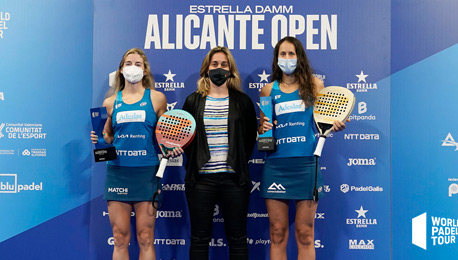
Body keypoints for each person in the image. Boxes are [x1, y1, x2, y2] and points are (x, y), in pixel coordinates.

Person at [258, 37, 347, 260]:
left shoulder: (315, 86)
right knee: (277, 233)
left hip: (307, 165)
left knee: (305, 233)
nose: (287, 58)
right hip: (276, 166)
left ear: (299, 57)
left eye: (291, 53)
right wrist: (263, 128)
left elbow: (324, 120)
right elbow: (263, 132)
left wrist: (335, 125)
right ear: (276, 59)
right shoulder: (268, 90)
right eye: (282, 54)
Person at [91, 48, 180, 260]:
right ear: (121, 70)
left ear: (145, 69)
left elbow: (165, 135)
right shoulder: (110, 103)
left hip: (147, 174)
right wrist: (101, 139)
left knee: (145, 236)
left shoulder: (158, 99)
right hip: (118, 173)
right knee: (120, 237)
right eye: (128, 63)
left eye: (138, 64)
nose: (133, 67)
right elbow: (108, 137)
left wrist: (171, 145)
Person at [182, 46, 257, 260]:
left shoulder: (242, 102)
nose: (219, 68)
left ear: (230, 69)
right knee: (199, 238)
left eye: (224, 64)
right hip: (200, 180)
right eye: (214, 64)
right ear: (206, 68)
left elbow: (249, 139)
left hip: (234, 179)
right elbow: (186, 139)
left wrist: (236, 163)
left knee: (238, 238)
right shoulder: (192, 101)